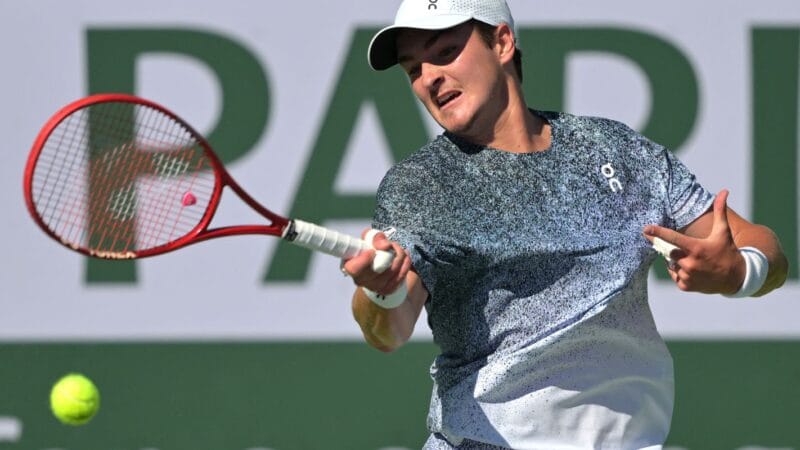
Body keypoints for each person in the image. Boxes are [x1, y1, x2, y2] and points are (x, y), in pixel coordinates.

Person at [341, 0, 789, 448]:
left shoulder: (614, 149)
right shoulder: (420, 185)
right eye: (412, 68)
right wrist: (382, 290)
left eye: (444, 52)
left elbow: (762, 247)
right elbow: (389, 328)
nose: (429, 78)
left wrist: (738, 271)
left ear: (501, 42)